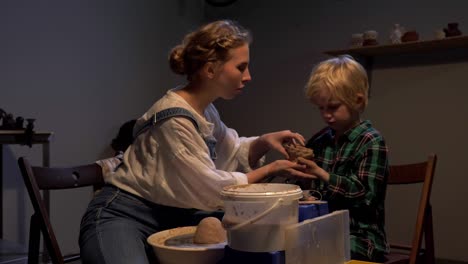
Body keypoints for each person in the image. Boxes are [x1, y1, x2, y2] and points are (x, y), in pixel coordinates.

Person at [79, 20, 314, 264]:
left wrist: (264, 141)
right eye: (241, 67)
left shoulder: (204, 110)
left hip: (172, 213)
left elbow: (230, 151)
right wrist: (271, 168)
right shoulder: (174, 118)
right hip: (124, 214)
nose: (248, 76)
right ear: (210, 70)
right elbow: (210, 187)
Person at [296, 55, 389, 262]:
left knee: (317, 253)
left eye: (333, 107)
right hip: (320, 230)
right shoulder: (320, 140)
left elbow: (366, 197)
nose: (326, 115)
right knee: (284, 244)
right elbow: (305, 188)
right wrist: (301, 177)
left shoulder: (371, 141)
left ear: (357, 101)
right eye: (321, 108)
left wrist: (322, 174)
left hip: (360, 237)